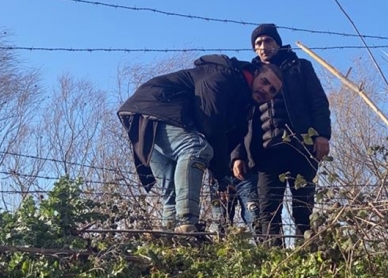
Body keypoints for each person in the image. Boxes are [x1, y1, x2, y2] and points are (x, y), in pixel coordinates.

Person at [118, 54, 283, 233]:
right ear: (255, 73)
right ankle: (187, 223)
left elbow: (228, 139)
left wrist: (221, 174)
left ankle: (170, 234)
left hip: (143, 115)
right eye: (264, 82)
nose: (266, 90)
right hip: (158, 105)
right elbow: (210, 123)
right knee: (196, 148)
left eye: (272, 90)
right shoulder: (224, 76)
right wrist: (221, 175)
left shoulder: (243, 103)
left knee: (173, 186)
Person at [231, 24, 332, 246]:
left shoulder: (300, 67)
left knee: (303, 209)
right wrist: (238, 155)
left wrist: (322, 135)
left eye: (268, 41)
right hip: (265, 154)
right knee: (268, 211)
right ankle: (274, 259)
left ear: (277, 43)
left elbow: (318, 102)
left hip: (301, 148)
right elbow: (239, 115)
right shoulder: (250, 74)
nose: (263, 46)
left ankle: (305, 256)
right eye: (258, 43)